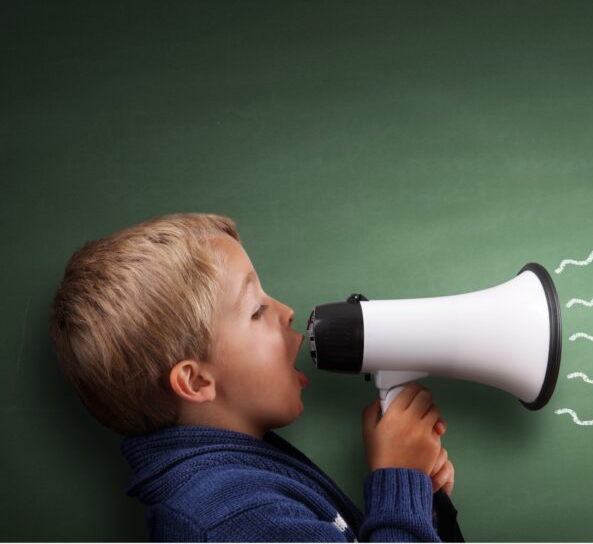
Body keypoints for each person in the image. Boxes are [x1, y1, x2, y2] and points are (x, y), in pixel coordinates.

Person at [49, 213, 455, 542]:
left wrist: (420, 504)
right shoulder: (229, 518)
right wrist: (400, 480)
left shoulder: (244, 482)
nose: (287, 310)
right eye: (256, 310)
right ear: (196, 382)